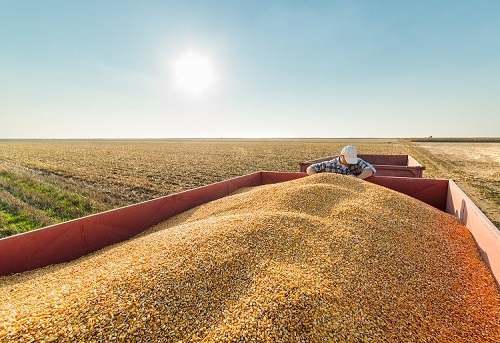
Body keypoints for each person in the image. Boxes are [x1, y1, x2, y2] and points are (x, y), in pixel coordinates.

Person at [306, 145, 376, 179]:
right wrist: (318, 178)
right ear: (341, 156)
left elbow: (370, 169)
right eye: (348, 159)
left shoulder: (357, 162)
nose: (350, 162)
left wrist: (357, 178)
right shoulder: (330, 164)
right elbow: (310, 168)